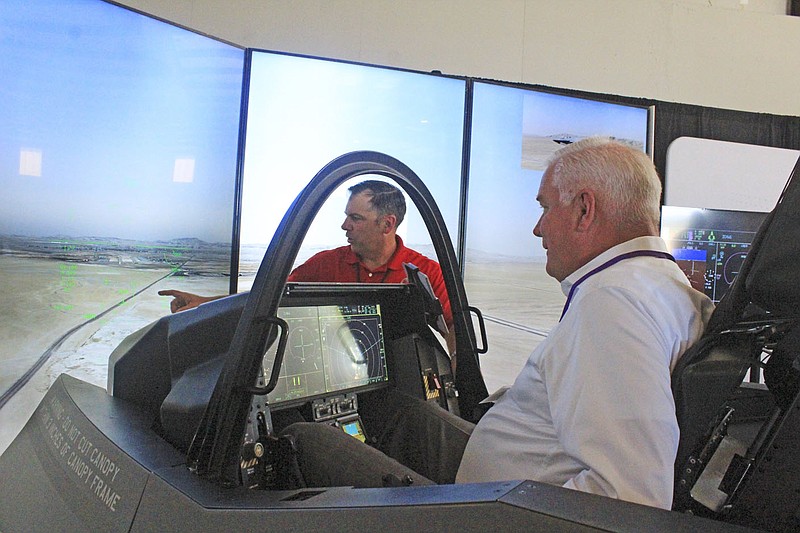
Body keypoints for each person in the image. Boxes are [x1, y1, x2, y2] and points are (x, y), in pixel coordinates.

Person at [282, 137, 714, 510]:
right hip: (506, 479)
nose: (537, 228)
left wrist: (486, 514)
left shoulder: (613, 303)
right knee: (396, 411)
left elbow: (630, 497)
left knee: (305, 439)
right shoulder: (661, 282)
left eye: (545, 208)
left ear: (585, 210)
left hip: (490, 507)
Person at [159, 180, 454, 351]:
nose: (344, 225)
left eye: (356, 218)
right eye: (346, 216)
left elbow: (454, 329)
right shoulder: (328, 264)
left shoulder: (425, 272)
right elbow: (268, 295)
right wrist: (204, 304)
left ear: (387, 224)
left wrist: (457, 372)